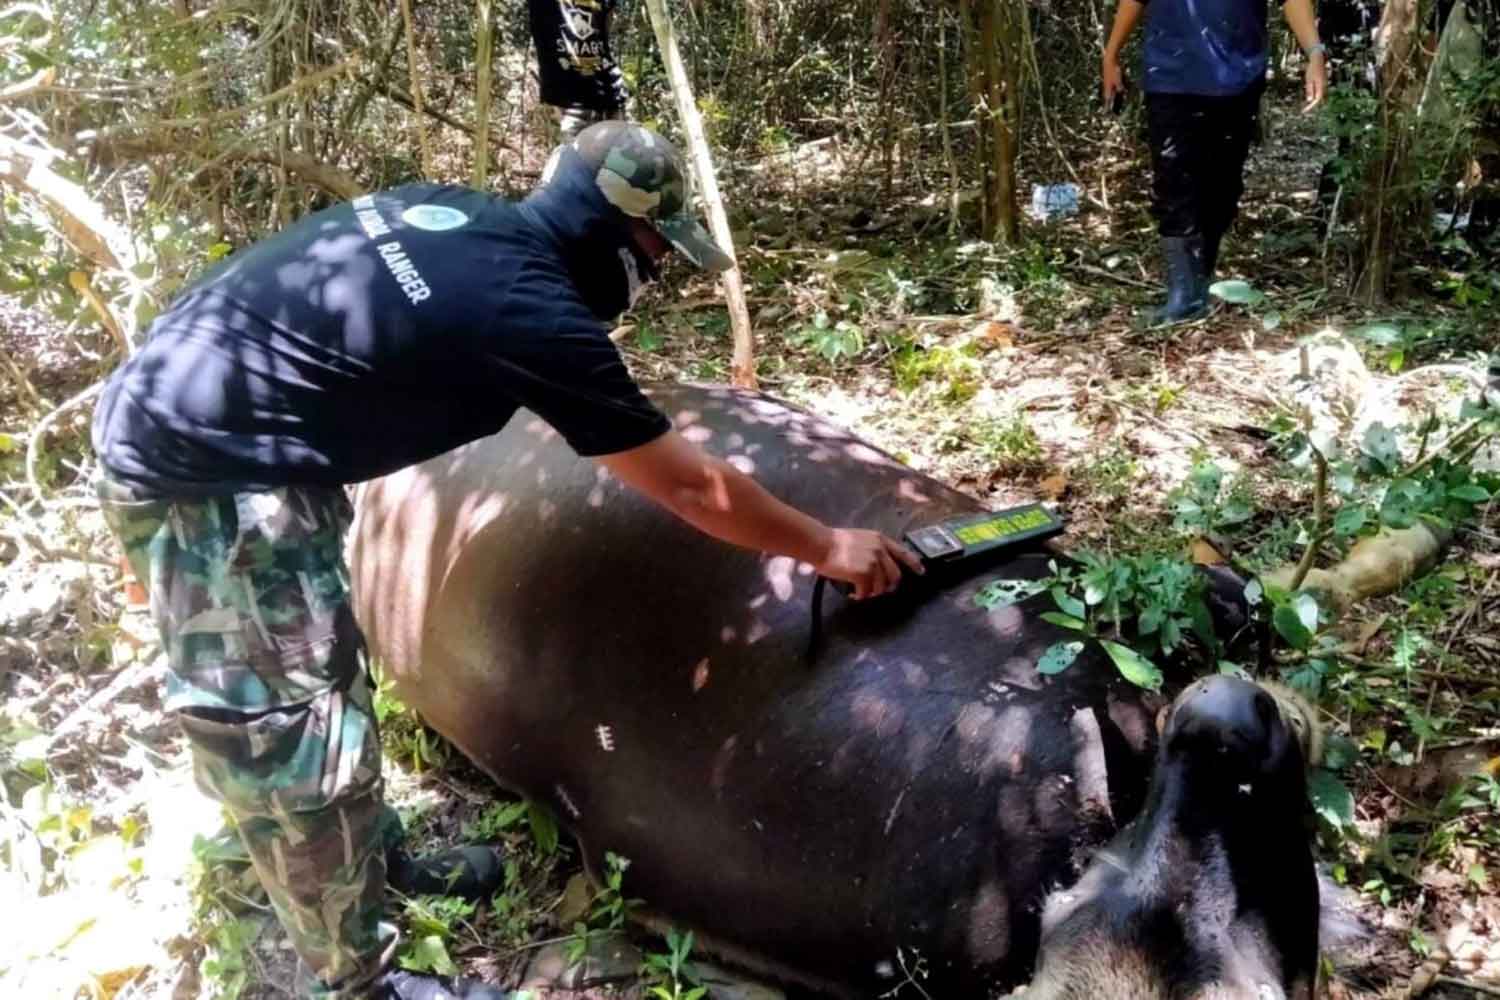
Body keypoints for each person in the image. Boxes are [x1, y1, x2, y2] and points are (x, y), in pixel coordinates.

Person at [91, 121, 921, 1000]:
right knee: (293, 733)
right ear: (609, 234)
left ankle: (371, 861)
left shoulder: (450, 212)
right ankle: (359, 978)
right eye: (655, 247)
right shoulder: (527, 310)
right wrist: (826, 544)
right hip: (211, 474)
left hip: (222, 425)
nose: (659, 270)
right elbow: (690, 489)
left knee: (327, 665)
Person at [1101, 0, 1329, 324]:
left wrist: (1315, 52)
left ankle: (1199, 283)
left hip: (1238, 78)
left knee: (1222, 187)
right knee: (1173, 183)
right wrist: (1111, 53)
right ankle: (1183, 297)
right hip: (1171, 75)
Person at [528, 0, 630, 142]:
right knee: (573, 161)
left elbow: (602, 33)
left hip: (610, 94)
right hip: (569, 102)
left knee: (617, 163)